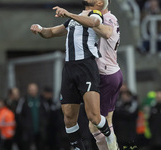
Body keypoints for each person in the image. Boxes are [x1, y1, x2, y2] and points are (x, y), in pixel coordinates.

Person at [30, 0, 118, 149]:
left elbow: (93, 23)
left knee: (94, 117)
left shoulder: (95, 14)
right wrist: (40, 29)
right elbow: (50, 32)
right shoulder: (73, 19)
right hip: (69, 68)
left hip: (86, 66)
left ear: (99, 3)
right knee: (69, 117)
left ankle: (110, 135)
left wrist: (68, 13)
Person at [87, 0, 123, 149]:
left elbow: (106, 33)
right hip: (112, 72)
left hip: (106, 75)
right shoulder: (111, 18)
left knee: (95, 124)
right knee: (107, 122)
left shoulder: (107, 19)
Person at [16, 83, 49, 150]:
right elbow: (18, 114)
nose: (32, 91)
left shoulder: (42, 100)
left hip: (40, 130)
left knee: (41, 146)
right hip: (28, 131)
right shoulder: (24, 100)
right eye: (31, 90)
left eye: (34, 89)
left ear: (37, 90)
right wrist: (24, 125)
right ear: (28, 90)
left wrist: (44, 124)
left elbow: (47, 112)